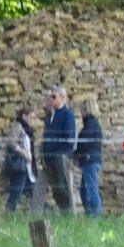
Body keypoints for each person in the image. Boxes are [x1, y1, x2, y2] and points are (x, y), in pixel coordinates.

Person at [35, 85, 76, 214]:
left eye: (54, 96)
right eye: (50, 97)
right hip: (49, 158)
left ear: (63, 98)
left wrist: (59, 154)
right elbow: (47, 137)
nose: (51, 99)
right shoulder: (51, 116)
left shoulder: (67, 115)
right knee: (53, 189)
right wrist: (44, 153)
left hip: (60, 158)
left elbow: (69, 139)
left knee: (63, 187)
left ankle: (68, 214)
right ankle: (38, 214)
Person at [4, 106, 37, 213]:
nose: (32, 120)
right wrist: (23, 153)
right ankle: (9, 212)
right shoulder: (18, 126)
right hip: (20, 165)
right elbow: (10, 142)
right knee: (17, 190)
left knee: (33, 190)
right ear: (24, 116)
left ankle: (43, 211)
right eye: (31, 117)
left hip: (28, 166)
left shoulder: (28, 129)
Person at [74, 99, 103, 217]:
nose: (80, 113)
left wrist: (76, 152)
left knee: (91, 189)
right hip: (90, 160)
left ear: (86, 110)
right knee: (84, 190)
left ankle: (95, 215)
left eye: (82, 110)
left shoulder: (91, 124)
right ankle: (89, 214)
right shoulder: (91, 124)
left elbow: (86, 143)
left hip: (89, 160)